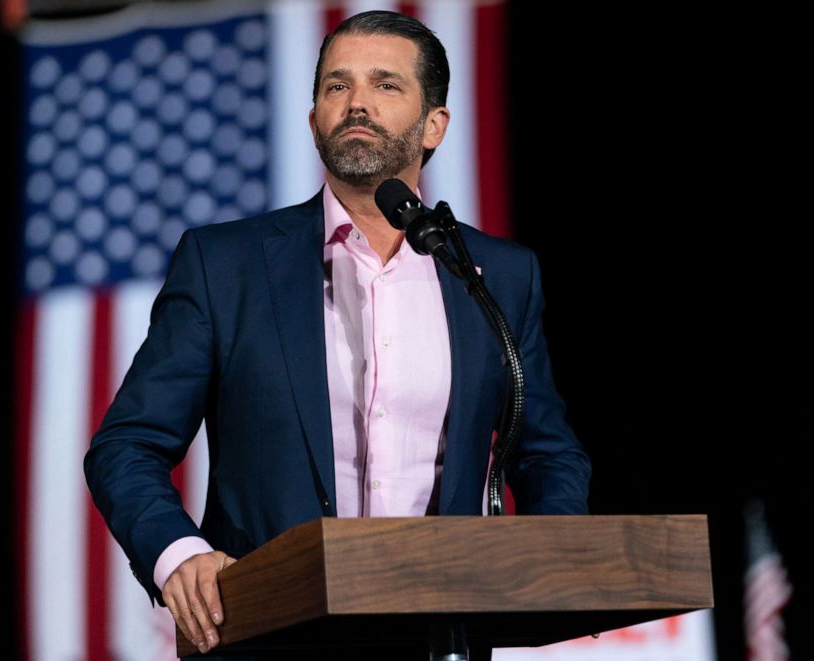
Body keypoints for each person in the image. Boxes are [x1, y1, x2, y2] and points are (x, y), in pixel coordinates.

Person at [85, 10, 590, 657]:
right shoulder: (228, 265)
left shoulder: (497, 276)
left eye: (385, 84)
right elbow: (126, 444)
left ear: (435, 123)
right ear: (313, 118)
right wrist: (179, 555)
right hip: (269, 633)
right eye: (335, 86)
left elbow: (548, 450)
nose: (356, 102)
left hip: (442, 633)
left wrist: (557, 556)